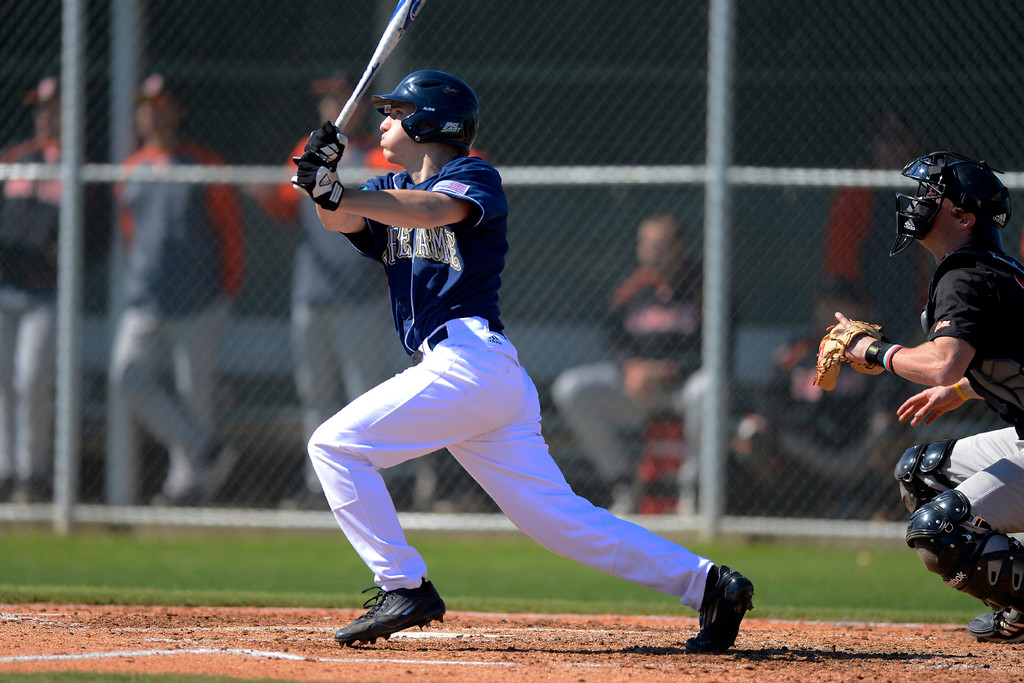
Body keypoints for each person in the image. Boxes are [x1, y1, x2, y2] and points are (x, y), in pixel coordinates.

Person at [289, 69, 754, 652]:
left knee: (334, 446)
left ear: (430, 122)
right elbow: (345, 218)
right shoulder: (392, 186)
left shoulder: (471, 175)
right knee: (561, 523)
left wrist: (340, 190)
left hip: (467, 362)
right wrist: (322, 183)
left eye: (397, 113)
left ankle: (402, 585)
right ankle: (710, 585)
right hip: (475, 378)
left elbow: (429, 211)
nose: (384, 122)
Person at [832, 151, 1024, 642]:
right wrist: (961, 389)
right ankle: (1017, 601)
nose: (919, 203)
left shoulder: (966, 274)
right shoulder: (998, 268)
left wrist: (872, 350)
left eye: (933, 197)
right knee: (922, 471)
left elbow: (942, 361)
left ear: (963, 217)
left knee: (938, 529)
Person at [252, 75, 403, 508]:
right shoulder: (309, 148)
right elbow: (285, 203)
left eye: (340, 98)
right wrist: (264, 194)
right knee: (315, 393)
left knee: (366, 393)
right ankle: (320, 485)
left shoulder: (378, 154)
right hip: (313, 292)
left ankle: (377, 484)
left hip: (362, 294)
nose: (333, 106)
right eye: (327, 99)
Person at [110, 74, 245, 505]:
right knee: (128, 376)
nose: (151, 113)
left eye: (160, 104)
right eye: (145, 105)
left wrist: (227, 290)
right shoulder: (131, 167)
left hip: (199, 300)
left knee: (194, 395)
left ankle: (187, 486)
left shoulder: (203, 163)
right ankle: (204, 449)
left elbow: (229, 230)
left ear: (178, 110)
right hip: (146, 299)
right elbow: (129, 234)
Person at [551, 213, 704, 514]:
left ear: (679, 248)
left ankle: (693, 488)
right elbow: (613, 341)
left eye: (658, 246)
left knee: (707, 389)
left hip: (682, 389)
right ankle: (621, 482)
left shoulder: (704, 289)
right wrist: (630, 368)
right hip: (636, 389)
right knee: (571, 388)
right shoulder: (631, 289)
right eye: (644, 245)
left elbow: (718, 349)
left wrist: (668, 370)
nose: (649, 253)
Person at [730, 281, 907, 519]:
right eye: (825, 305)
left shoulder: (875, 351)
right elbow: (768, 398)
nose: (830, 312)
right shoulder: (798, 350)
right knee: (750, 432)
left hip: (859, 444)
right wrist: (783, 423)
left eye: (840, 306)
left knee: (887, 434)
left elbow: (888, 401)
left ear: (859, 311)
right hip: (803, 444)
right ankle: (786, 509)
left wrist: (878, 423)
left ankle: (883, 508)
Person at [0, 77, 62, 502]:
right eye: (39, 109)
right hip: (5, 284)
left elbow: (97, 228)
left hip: (45, 289)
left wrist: (68, 253)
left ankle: (31, 473)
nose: (44, 117)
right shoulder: (15, 156)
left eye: (52, 108)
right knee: (3, 380)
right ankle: (6, 471)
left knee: (31, 378)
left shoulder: (80, 159)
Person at [822, 110, 929, 345]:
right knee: (832, 313)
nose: (891, 147)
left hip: (909, 300)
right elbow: (840, 268)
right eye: (885, 138)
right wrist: (860, 308)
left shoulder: (922, 189)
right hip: (860, 295)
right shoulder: (856, 188)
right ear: (873, 143)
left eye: (899, 138)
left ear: (911, 144)